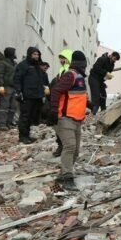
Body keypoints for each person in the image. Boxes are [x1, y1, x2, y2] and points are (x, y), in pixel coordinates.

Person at [48, 50, 88, 191]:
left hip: (77, 120)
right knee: (70, 146)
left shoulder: (80, 78)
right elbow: (56, 91)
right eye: (84, 65)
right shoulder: (70, 75)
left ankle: (64, 174)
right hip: (65, 118)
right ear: (81, 65)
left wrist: (89, 104)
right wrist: (53, 110)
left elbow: (76, 97)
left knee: (75, 151)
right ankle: (66, 177)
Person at [13, 47, 48, 144]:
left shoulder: (38, 67)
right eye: (34, 54)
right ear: (29, 54)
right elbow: (17, 79)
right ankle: (22, 137)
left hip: (36, 96)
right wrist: (18, 91)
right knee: (25, 116)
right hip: (27, 95)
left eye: (37, 54)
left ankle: (27, 135)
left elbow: (40, 81)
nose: (36, 56)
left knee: (31, 117)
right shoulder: (23, 65)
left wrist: (43, 91)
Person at [51, 49, 73, 157]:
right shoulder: (61, 71)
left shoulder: (70, 71)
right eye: (60, 58)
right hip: (61, 103)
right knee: (60, 125)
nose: (61, 60)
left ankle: (65, 148)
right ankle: (61, 146)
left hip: (68, 104)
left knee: (66, 126)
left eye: (64, 58)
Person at [0, 47, 18, 130]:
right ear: (11, 53)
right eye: (14, 52)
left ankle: (9, 123)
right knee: (4, 105)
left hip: (14, 87)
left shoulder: (15, 64)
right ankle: (2, 124)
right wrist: (1, 85)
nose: (16, 54)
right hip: (6, 87)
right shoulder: (2, 63)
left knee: (13, 106)